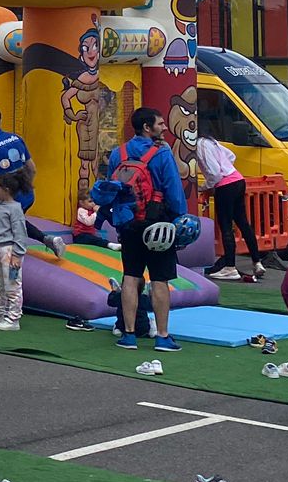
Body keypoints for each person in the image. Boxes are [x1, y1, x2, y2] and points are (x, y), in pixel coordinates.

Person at [101, 107, 188, 353]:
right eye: (160, 123)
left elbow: (112, 188)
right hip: (159, 224)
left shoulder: (119, 153)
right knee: (159, 279)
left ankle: (128, 335)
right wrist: (179, 220)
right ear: (147, 127)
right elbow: (174, 191)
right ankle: (162, 336)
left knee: (131, 276)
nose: (164, 127)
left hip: (129, 224)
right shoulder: (161, 153)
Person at [0, 168, 65, 331]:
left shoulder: (15, 209)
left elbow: (20, 233)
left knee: (12, 283)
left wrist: (18, 254)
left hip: (9, 251)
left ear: (6, 191)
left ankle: (13, 318)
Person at [198, 131, 260, 282]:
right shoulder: (212, 141)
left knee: (225, 225)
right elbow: (231, 156)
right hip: (238, 179)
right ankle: (257, 262)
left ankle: (230, 267)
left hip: (225, 186)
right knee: (242, 222)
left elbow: (214, 173)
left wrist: (203, 186)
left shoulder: (200, 145)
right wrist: (226, 168)